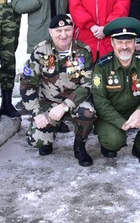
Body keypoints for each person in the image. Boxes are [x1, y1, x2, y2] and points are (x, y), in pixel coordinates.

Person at [18, 15, 96, 167]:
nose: (63, 35)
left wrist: (65, 106)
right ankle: (48, 137)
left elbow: (88, 84)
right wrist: (37, 113)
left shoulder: (83, 51)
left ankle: (79, 146)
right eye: (58, 31)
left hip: (74, 102)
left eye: (67, 30)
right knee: (37, 141)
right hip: (48, 102)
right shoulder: (40, 51)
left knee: (88, 112)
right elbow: (27, 84)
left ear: (73, 30)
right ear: (50, 32)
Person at [91, 17, 140, 165]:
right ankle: (109, 142)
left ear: (135, 42)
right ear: (112, 43)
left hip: (136, 109)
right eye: (120, 42)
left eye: (129, 41)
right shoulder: (102, 66)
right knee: (113, 141)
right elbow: (99, 100)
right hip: (110, 114)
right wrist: (120, 123)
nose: (124, 46)